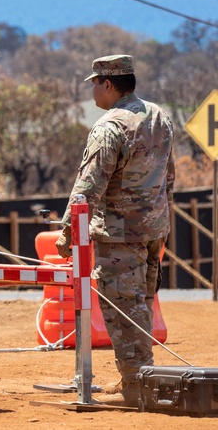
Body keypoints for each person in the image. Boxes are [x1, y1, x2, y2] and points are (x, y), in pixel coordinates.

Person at [56, 54, 175, 407]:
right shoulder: (160, 117)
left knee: (123, 307)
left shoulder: (110, 127)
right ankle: (138, 377)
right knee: (141, 302)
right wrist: (161, 219)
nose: (93, 89)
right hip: (154, 227)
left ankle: (137, 385)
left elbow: (88, 186)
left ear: (108, 84)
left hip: (120, 233)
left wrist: (66, 233)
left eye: (94, 82)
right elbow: (169, 178)